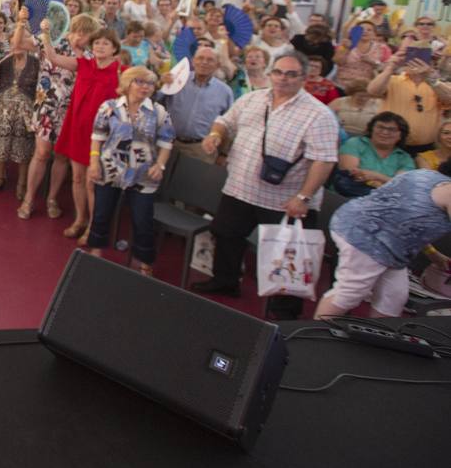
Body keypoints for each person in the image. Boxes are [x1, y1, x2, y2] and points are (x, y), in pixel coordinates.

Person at [192, 54, 339, 301]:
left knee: (287, 255)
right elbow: (224, 121)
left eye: (291, 74)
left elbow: (324, 160)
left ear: (304, 78)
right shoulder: (253, 98)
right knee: (226, 235)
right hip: (240, 189)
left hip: (286, 199)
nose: (283, 78)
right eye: (278, 72)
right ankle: (225, 282)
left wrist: (304, 197)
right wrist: (215, 136)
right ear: (270, 74)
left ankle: (283, 311)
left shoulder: (319, 115)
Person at [313, 166, 451, 319]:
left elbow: (410, 222)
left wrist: (433, 253)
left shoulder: (427, 175)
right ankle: (314, 336)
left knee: (394, 296)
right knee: (349, 292)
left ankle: (381, 336)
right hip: (366, 236)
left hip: (380, 238)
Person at [84, 66, 174, 275]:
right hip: (110, 168)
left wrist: (159, 165)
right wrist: (94, 162)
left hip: (143, 174)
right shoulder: (109, 107)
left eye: (150, 83)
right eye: (139, 82)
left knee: (143, 220)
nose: (145, 87)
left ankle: (145, 262)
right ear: (127, 83)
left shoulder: (159, 112)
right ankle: (96, 250)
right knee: (101, 212)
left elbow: (167, 142)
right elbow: (98, 136)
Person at [41, 25, 126, 241]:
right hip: (77, 129)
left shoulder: (121, 71)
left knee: (92, 181)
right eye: (97, 42)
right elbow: (52, 56)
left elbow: (146, 83)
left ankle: (94, 228)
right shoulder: (83, 65)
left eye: (105, 43)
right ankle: (80, 219)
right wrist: (46, 33)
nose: (100, 46)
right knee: (77, 178)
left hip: (102, 137)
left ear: (114, 48)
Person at [19, 13, 97, 220]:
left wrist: (45, 36)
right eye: (81, 32)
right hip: (46, 104)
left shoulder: (89, 56)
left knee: (61, 156)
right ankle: (29, 198)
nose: (83, 37)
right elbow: (19, 43)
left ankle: (52, 198)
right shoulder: (53, 37)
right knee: (42, 153)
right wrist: (23, 23)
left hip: (71, 110)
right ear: (74, 29)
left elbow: (56, 59)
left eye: (87, 34)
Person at [0, 21, 37, 196]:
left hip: (26, 111)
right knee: (1, 136)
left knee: (24, 142)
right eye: (16, 41)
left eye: (24, 40)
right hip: (2, 109)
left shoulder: (37, 63)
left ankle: (22, 183)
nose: (19, 44)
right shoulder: (3, 61)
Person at [365, 49, 451, 154]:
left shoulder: (438, 85)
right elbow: (372, 91)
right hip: (391, 145)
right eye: (412, 60)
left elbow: (448, 98)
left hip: (425, 148)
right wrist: (390, 68)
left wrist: (430, 78)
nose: (417, 65)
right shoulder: (392, 80)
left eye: (424, 61)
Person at [158, 46, 232, 165]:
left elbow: (228, 125)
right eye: (200, 58)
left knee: (192, 183)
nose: (204, 62)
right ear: (193, 61)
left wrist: (223, 153)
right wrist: (161, 84)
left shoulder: (225, 92)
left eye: (210, 60)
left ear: (218, 65)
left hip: (200, 149)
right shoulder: (176, 79)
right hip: (167, 143)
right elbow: (155, 103)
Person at [333, 111, 416, 197]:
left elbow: (400, 185)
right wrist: (386, 182)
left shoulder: (405, 158)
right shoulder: (355, 143)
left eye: (391, 130)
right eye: (380, 127)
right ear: (371, 128)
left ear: (401, 135)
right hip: (346, 197)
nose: (384, 132)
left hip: (384, 203)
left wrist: (377, 176)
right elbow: (350, 173)